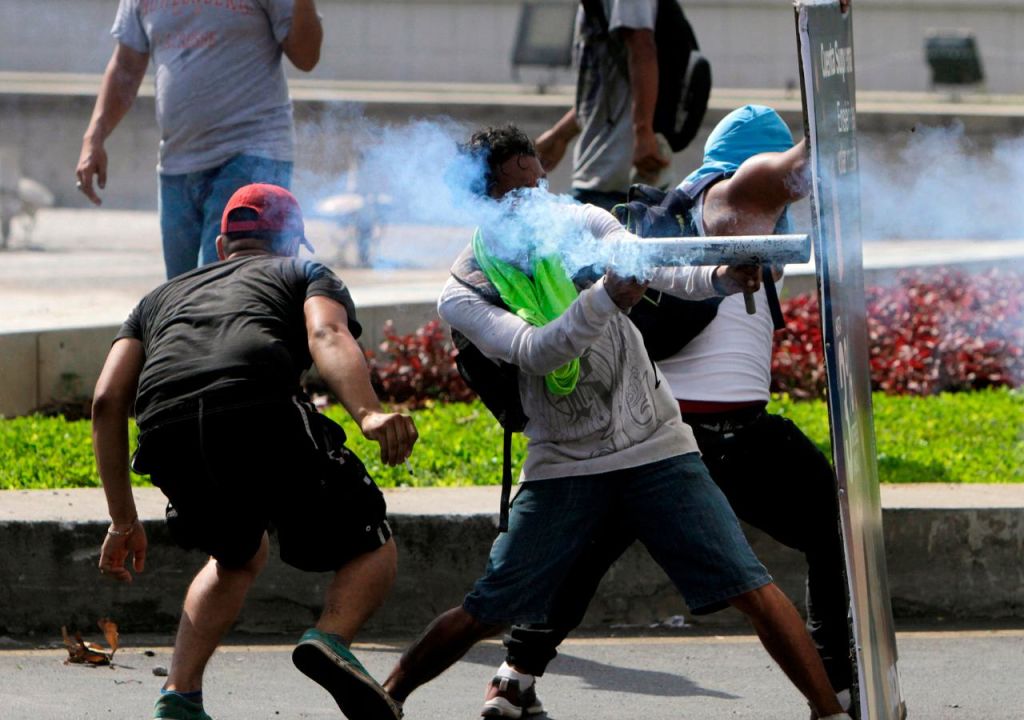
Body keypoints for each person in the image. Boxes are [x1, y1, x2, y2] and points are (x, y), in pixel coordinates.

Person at [378, 125, 851, 720]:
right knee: (489, 608)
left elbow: (649, 263)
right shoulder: (465, 289)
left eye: (537, 184)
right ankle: (385, 698)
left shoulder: (574, 222)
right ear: (481, 203)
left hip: (656, 444)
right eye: (514, 192)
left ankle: (830, 712)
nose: (534, 201)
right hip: (565, 461)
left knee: (751, 588)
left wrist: (721, 279)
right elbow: (537, 351)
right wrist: (606, 297)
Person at [93, 184, 416, 720]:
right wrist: (368, 413)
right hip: (256, 410)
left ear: (222, 245)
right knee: (370, 543)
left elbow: (107, 400)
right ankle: (330, 640)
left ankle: (179, 695)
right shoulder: (302, 273)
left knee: (235, 556)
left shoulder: (157, 298)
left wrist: (122, 519)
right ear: (292, 243)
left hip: (166, 431)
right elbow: (328, 332)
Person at [76, 0, 323, 279]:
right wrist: (93, 137)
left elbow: (306, 56)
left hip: (250, 155)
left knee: (219, 288)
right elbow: (126, 67)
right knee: (180, 293)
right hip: (177, 164)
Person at [534, 0, 668, 209]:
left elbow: (642, 46)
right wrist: (560, 135)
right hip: (600, 173)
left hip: (616, 176)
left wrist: (643, 133)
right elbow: (603, 90)